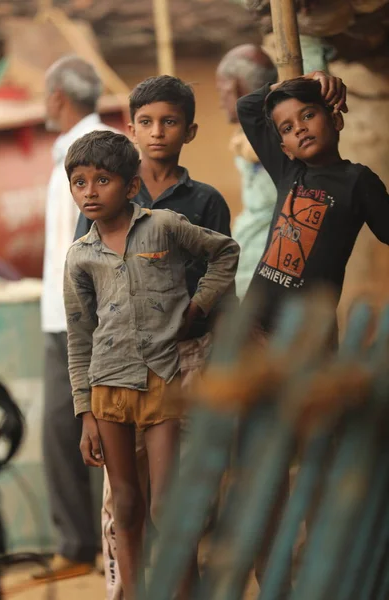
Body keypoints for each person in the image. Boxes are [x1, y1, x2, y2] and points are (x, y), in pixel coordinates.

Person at [74, 75, 233, 600]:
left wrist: (199, 307)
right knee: (124, 501)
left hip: (180, 363)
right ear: (131, 129)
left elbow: (223, 261)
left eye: (168, 122)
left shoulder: (197, 203)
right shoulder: (95, 210)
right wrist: (85, 407)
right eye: (146, 122)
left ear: (189, 130)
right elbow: (86, 316)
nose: (157, 132)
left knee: (178, 495)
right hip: (114, 371)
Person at [237, 71, 389, 595]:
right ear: (278, 143)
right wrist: (304, 82)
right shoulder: (287, 170)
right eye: (286, 126)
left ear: (333, 115)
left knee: (316, 453)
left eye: (308, 114)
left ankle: (324, 568)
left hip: (310, 344)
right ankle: (271, 577)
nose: (298, 129)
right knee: (264, 462)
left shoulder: (357, 182)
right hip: (255, 336)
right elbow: (247, 106)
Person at [39, 54, 116, 580]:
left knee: (75, 431)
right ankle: (88, 544)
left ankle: (80, 546)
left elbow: (89, 246)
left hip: (75, 321)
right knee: (77, 431)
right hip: (68, 317)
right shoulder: (82, 148)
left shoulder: (84, 153)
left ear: (59, 98)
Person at [216, 44, 278, 300]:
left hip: (270, 276)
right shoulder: (245, 140)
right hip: (249, 274)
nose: (220, 101)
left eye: (222, 90)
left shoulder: (277, 134)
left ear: (235, 87)